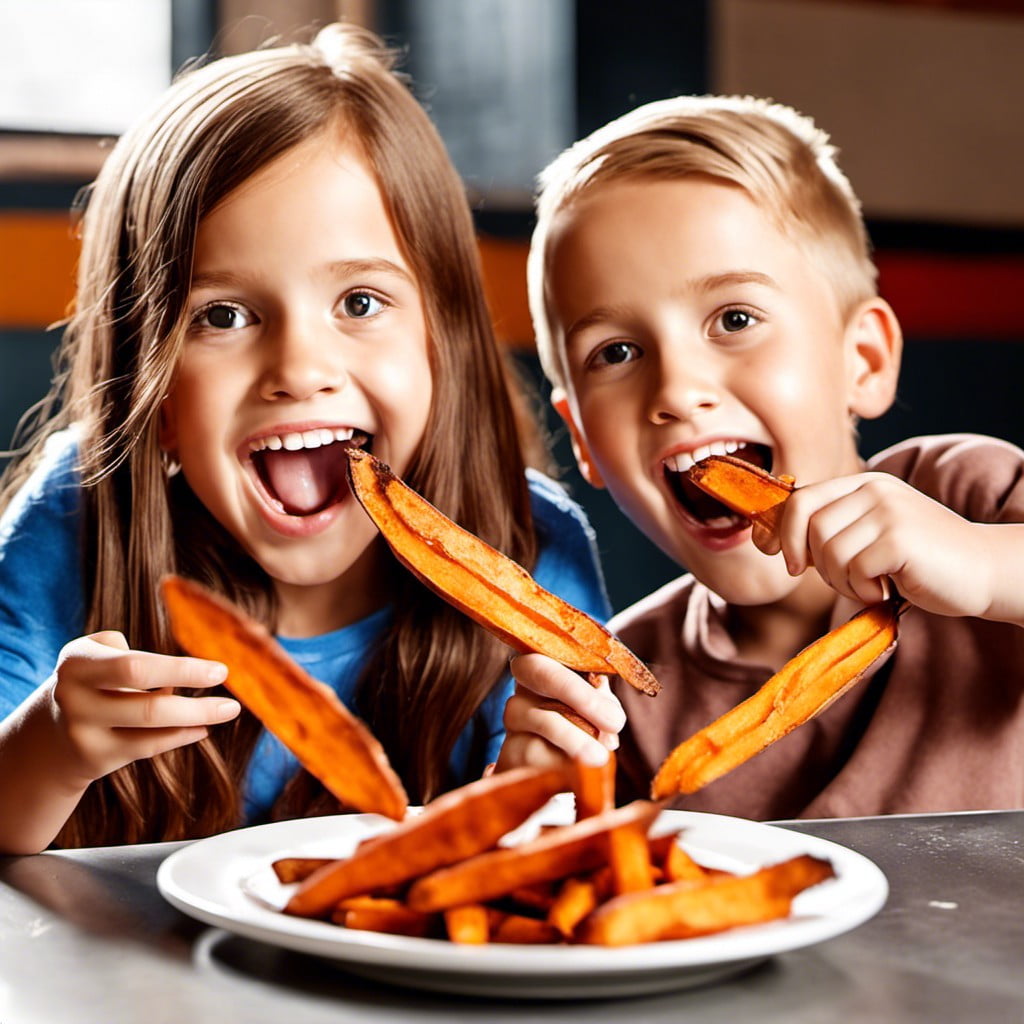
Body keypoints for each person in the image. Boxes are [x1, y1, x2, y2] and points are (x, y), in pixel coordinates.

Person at [0, 24, 610, 854]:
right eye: (222, 316)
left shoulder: (537, 551)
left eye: (360, 302)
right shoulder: (73, 520)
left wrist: (528, 799)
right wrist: (53, 746)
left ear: (445, 343)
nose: (299, 368)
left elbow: (549, 857)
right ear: (152, 386)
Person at [496, 94, 1024, 819]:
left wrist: (988, 564)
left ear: (863, 361)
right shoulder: (617, 696)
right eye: (615, 352)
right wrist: (539, 806)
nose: (677, 390)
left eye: (734, 319)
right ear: (583, 438)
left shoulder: (974, 500)